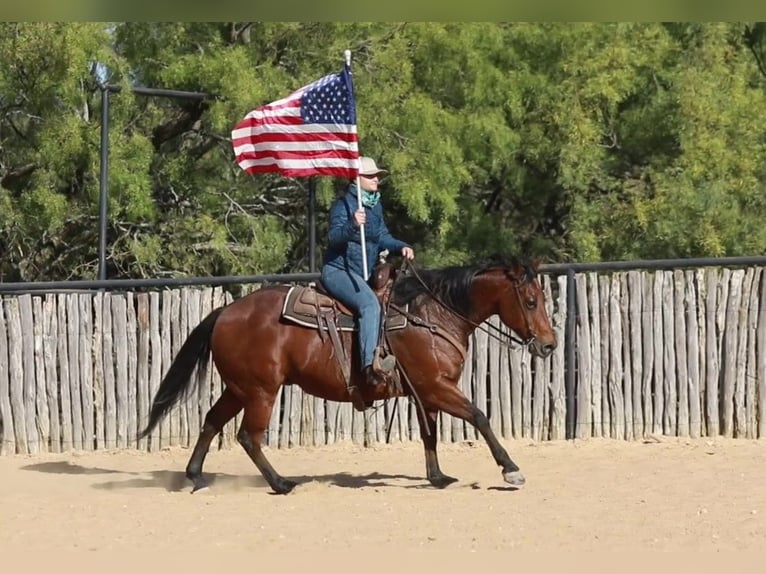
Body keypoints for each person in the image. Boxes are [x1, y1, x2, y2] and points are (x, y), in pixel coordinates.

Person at [321, 156, 415, 391]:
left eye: (377, 176)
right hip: (338, 271)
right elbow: (333, 238)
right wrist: (352, 224)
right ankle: (369, 370)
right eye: (372, 176)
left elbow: (381, 236)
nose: (377, 181)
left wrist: (401, 245)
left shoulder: (374, 205)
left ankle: (384, 353)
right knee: (370, 306)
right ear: (357, 178)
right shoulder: (342, 205)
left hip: (363, 273)